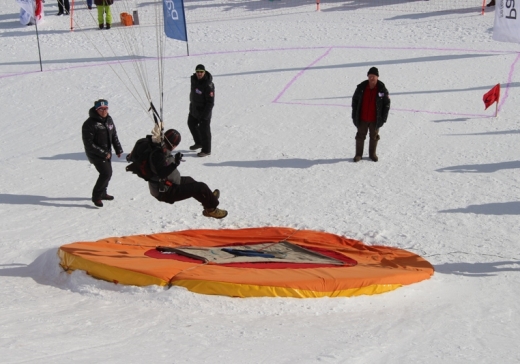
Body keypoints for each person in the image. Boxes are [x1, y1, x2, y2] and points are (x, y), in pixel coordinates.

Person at [147, 129, 227, 219]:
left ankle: (209, 198)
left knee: (191, 181)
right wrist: (175, 164)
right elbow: (162, 173)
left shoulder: (161, 148)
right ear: (174, 145)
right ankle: (211, 209)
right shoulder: (160, 155)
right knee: (200, 187)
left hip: (167, 184)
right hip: (165, 192)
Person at [82, 99, 123, 207]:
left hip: (107, 152)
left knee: (108, 173)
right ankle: (96, 196)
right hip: (96, 154)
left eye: (106, 109)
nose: (104, 111)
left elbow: (113, 135)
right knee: (106, 173)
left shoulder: (109, 119)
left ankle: (103, 193)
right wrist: (103, 153)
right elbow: (89, 144)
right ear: (96, 110)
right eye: (101, 109)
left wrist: (118, 149)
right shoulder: (89, 124)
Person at [351, 67, 391, 162]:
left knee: (374, 137)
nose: (371, 78)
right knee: (360, 136)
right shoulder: (361, 88)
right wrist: (354, 115)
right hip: (362, 118)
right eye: (370, 76)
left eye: (373, 76)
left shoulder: (382, 89)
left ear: (377, 77)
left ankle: (372, 154)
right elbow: (355, 101)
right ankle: (358, 154)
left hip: (375, 119)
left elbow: (386, 104)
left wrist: (383, 118)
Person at [187, 64, 215, 157]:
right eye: (197, 71)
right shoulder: (194, 79)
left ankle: (206, 150)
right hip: (194, 109)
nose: (199, 74)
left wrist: (204, 115)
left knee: (204, 130)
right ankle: (199, 142)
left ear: (204, 72)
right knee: (191, 124)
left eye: (201, 72)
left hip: (204, 111)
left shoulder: (208, 84)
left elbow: (210, 103)